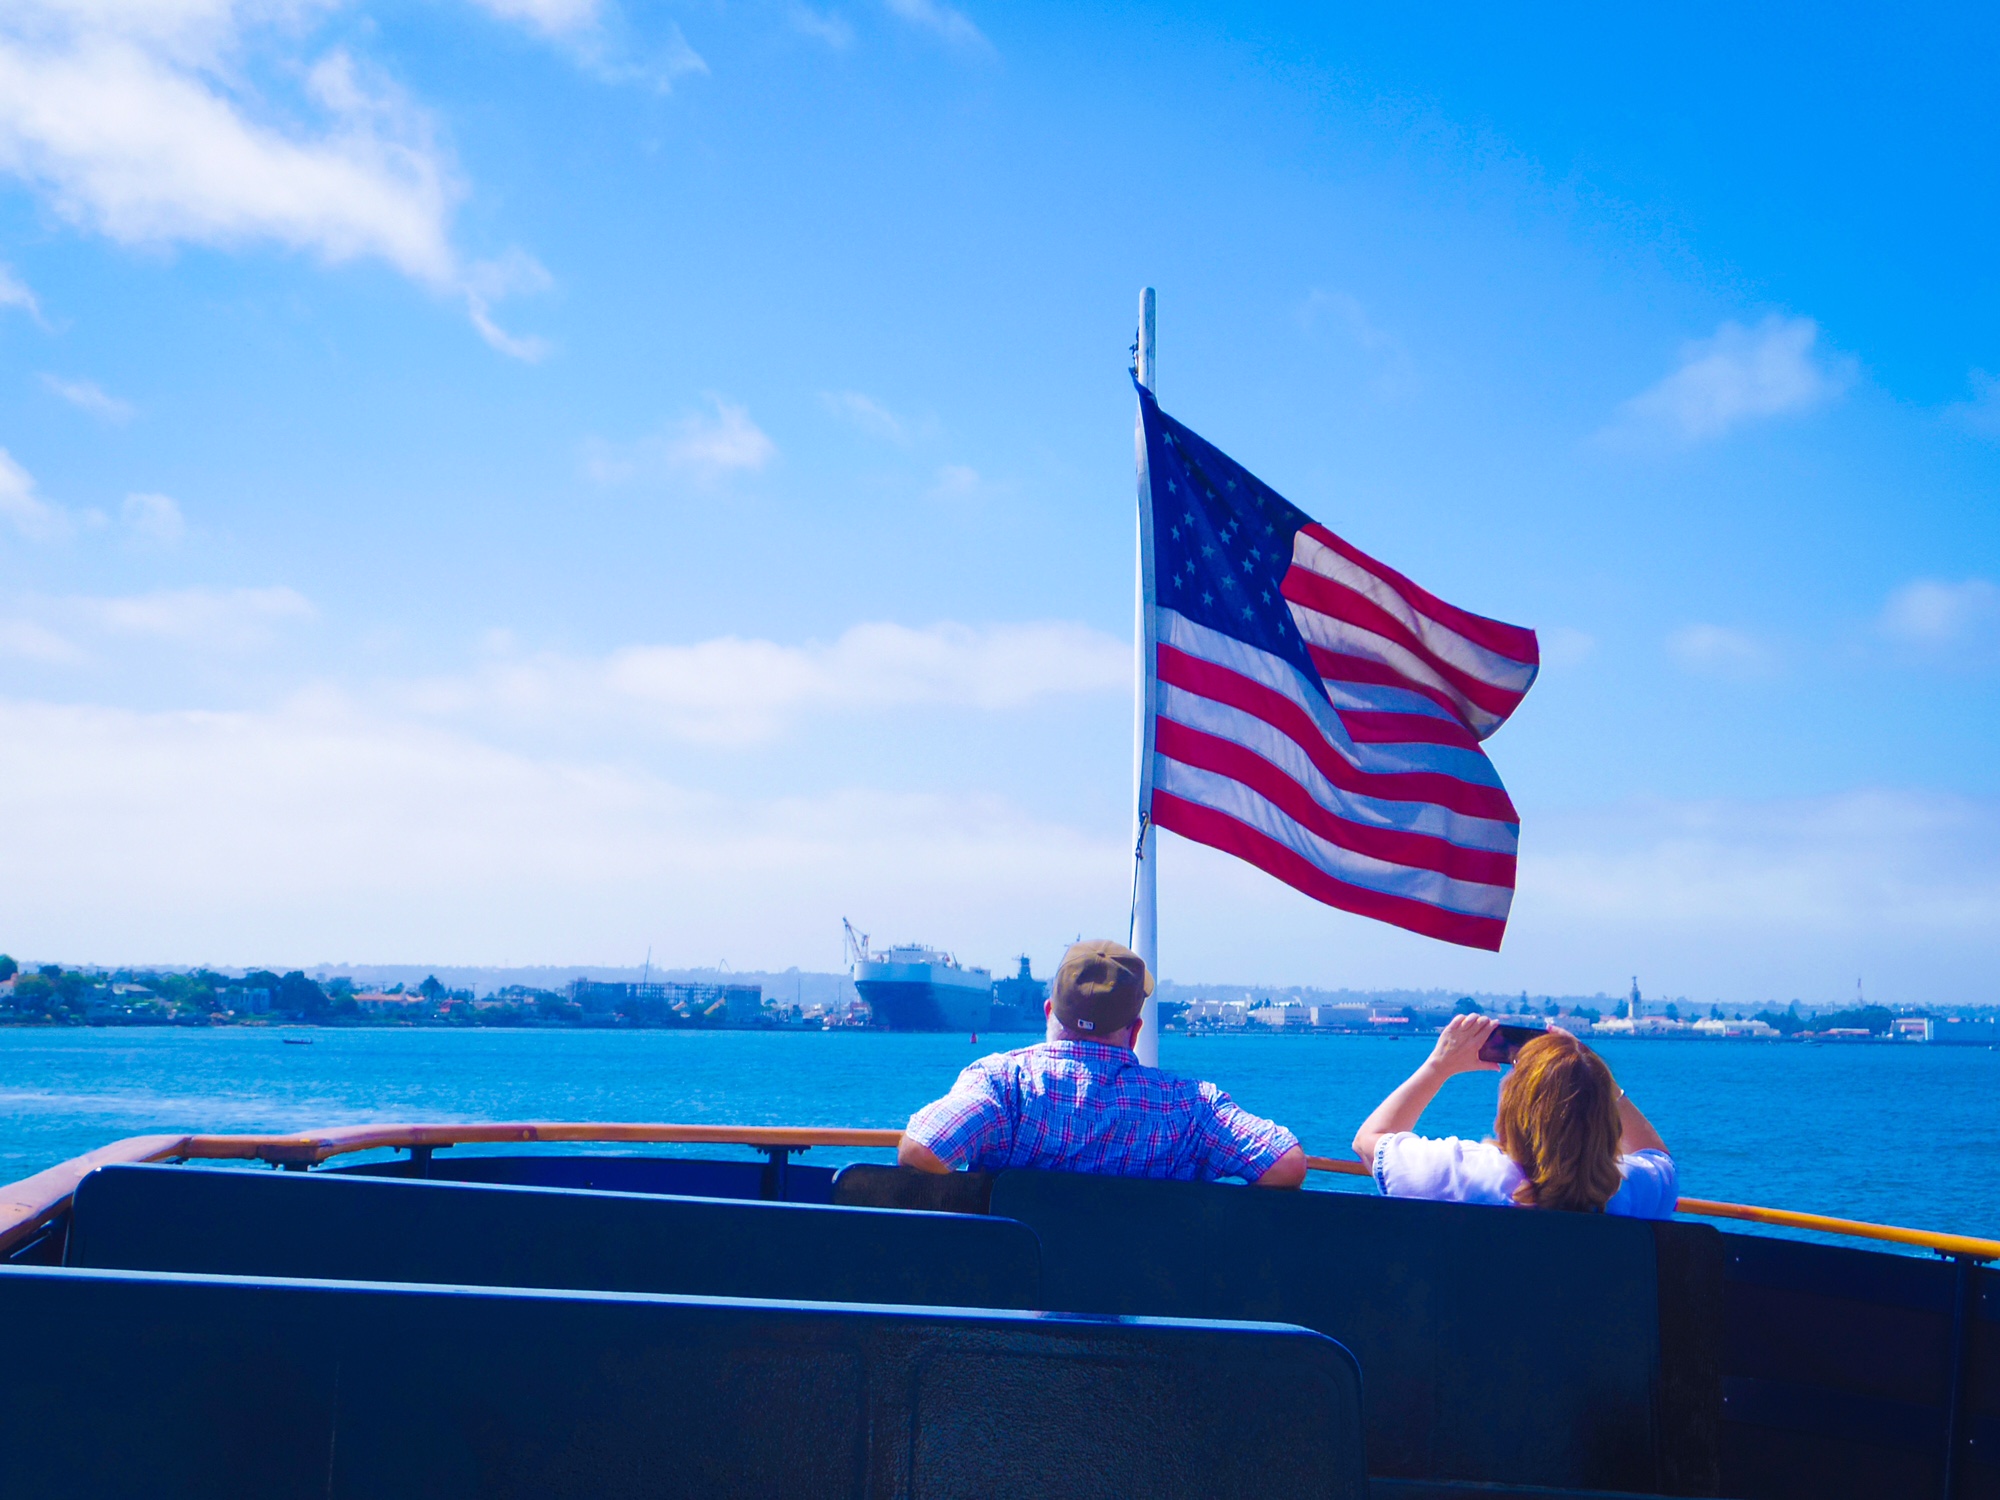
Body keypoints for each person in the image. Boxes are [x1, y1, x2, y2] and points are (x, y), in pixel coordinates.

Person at [899, 939, 1307, 1187]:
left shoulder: (1003, 1084)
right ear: (1135, 1032)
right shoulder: (1192, 1107)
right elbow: (1287, 1165)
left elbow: (923, 1150)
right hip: (1143, 1319)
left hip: (1014, 1318)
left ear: (1047, 1013)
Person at [1351, 1013, 1676, 1217]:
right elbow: (1658, 1157)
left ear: (1513, 1110)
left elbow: (1368, 1142)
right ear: (1605, 1117)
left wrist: (1439, 1066)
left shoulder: (1458, 1173)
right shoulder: (1632, 1191)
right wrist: (1592, 1075)